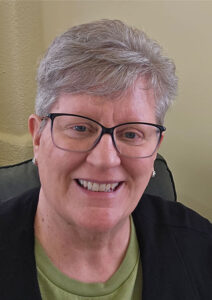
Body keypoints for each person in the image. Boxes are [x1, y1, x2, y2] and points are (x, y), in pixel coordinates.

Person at [0, 19, 211, 300]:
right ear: (38, 137)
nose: (105, 159)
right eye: (80, 128)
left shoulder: (202, 248)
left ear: (156, 148)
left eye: (131, 134)